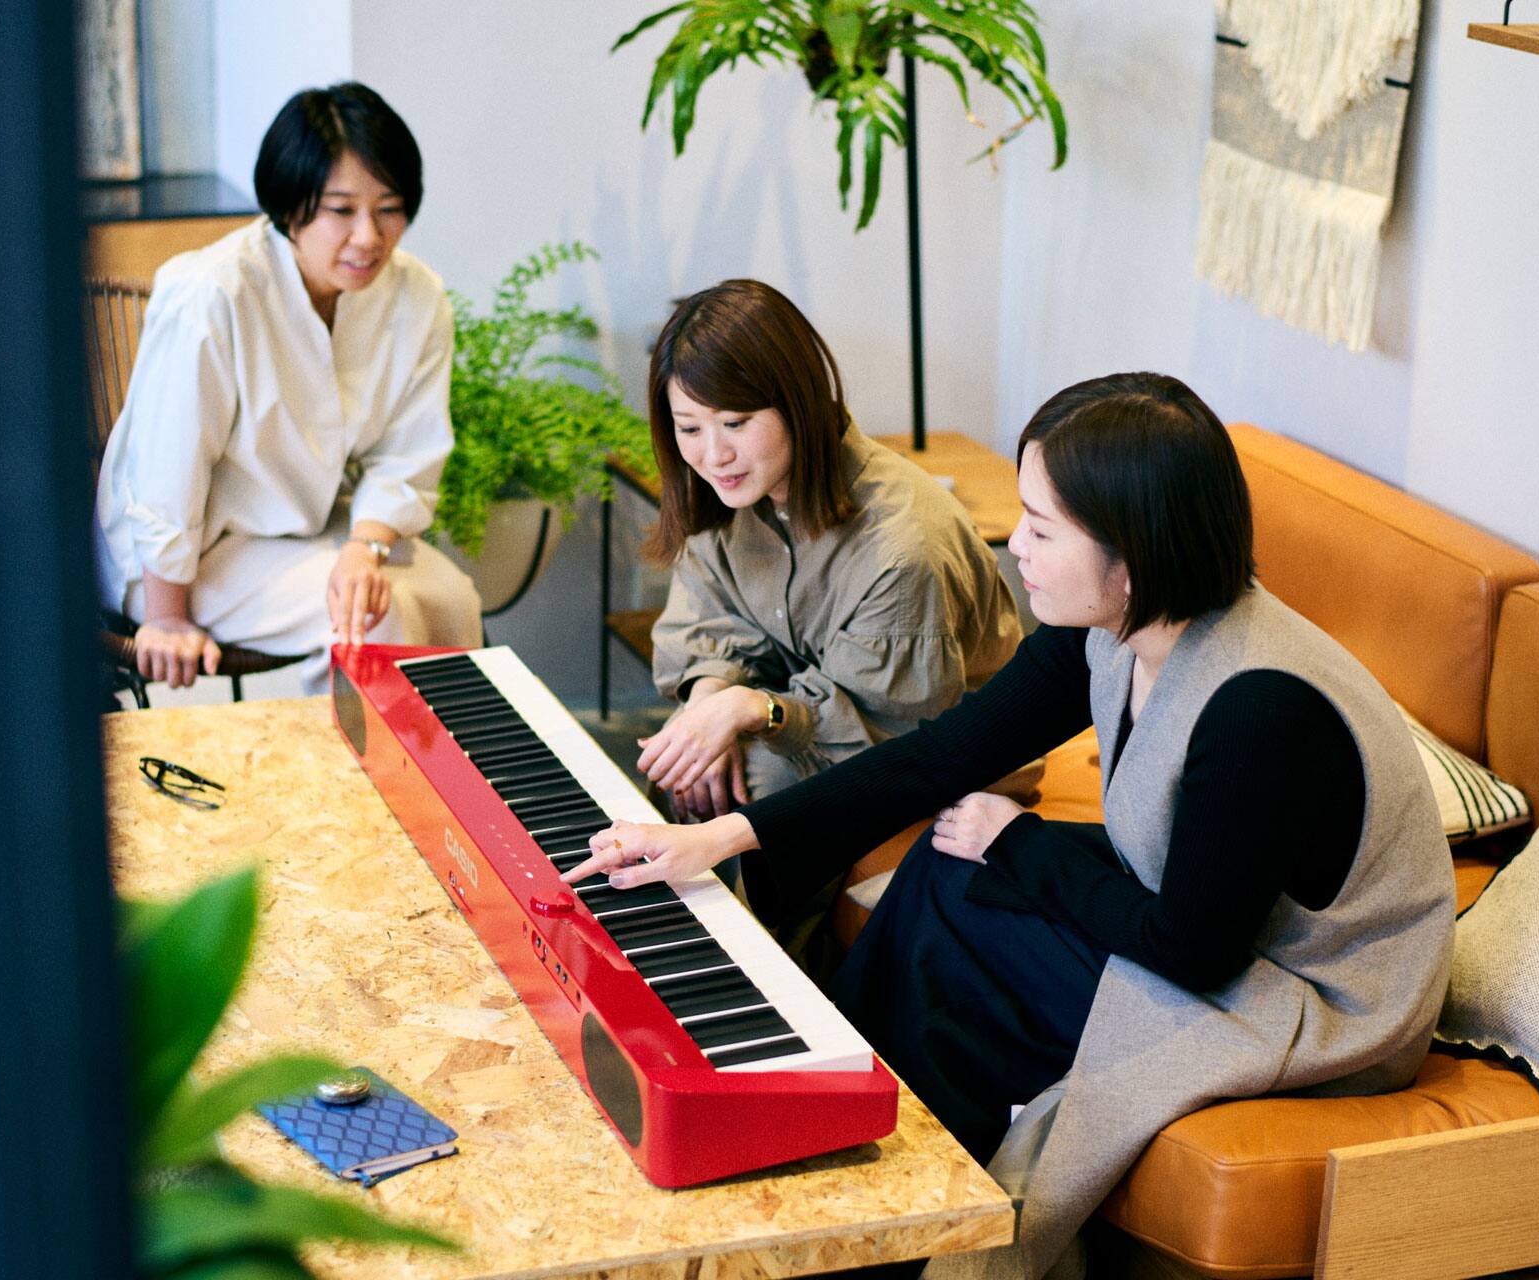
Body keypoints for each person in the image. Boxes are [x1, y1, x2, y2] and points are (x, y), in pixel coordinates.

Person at [567, 372, 1455, 1279]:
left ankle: (908, 1219)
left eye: (1040, 528)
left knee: (976, 917)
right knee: (944, 862)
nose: (1016, 549)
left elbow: (1194, 953)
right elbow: (941, 755)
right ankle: (816, 1114)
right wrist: (722, 839)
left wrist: (1018, 841)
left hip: (1314, 988)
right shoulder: (1111, 625)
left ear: (1132, 555)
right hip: (1207, 910)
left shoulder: (1259, 709)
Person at [636, 279, 1022, 968]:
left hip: (937, 754)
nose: (712, 453)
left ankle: (750, 993)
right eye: (689, 428)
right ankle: (660, 963)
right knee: (681, 758)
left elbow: (888, 736)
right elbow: (709, 615)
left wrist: (748, 710)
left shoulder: (902, 548)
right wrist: (706, 706)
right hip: (820, 719)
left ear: (798, 403)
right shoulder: (729, 487)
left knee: (758, 777)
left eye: (735, 422)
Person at [95, 82, 482, 695]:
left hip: (307, 530)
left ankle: (440, 787)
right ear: (289, 205)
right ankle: (353, 785)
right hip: (188, 554)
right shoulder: (214, 295)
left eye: (389, 208)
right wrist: (166, 613)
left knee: (451, 599)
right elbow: (166, 468)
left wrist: (366, 548)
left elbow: (409, 449)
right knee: (376, 623)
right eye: (340, 209)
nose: (369, 237)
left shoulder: (416, 295)